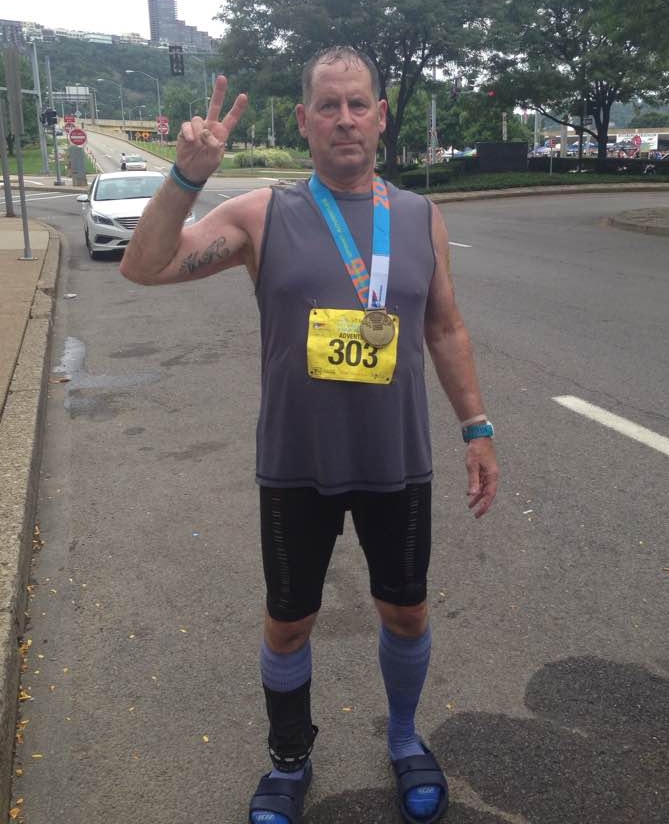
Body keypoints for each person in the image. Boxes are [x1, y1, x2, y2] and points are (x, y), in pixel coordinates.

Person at [120, 47, 499, 824]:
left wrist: (477, 427)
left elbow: (445, 327)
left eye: (359, 104)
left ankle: (402, 740)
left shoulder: (422, 217)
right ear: (304, 120)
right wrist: (186, 177)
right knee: (289, 621)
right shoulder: (264, 214)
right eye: (328, 106)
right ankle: (289, 760)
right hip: (297, 464)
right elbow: (144, 266)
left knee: (407, 612)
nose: (345, 120)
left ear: (382, 116)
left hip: (398, 462)